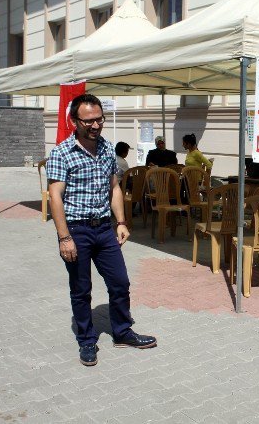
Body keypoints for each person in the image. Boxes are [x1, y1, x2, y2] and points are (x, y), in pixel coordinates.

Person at [46, 94, 157, 367]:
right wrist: (64, 237)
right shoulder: (62, 153)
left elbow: (114, 187)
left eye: (99, 119)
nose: (95, 126)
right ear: (74, 121)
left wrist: (120, 222)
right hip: (76, 230)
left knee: (120, 282)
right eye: (88, 121)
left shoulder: (107, 149)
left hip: (104, 229)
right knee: (81, 289)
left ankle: (122, 331)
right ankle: (86, 340)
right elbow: (55, 197)